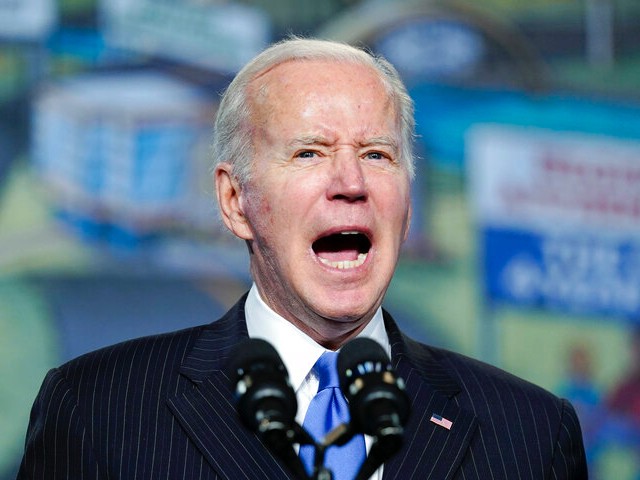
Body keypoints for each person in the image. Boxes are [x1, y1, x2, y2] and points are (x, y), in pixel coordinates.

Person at [17, 37, 587, 479]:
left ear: (407, 204)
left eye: (377, 154)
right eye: (309, 152)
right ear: (235, 201)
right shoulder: (100, 409)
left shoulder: (530, 432)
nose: (351, 182)